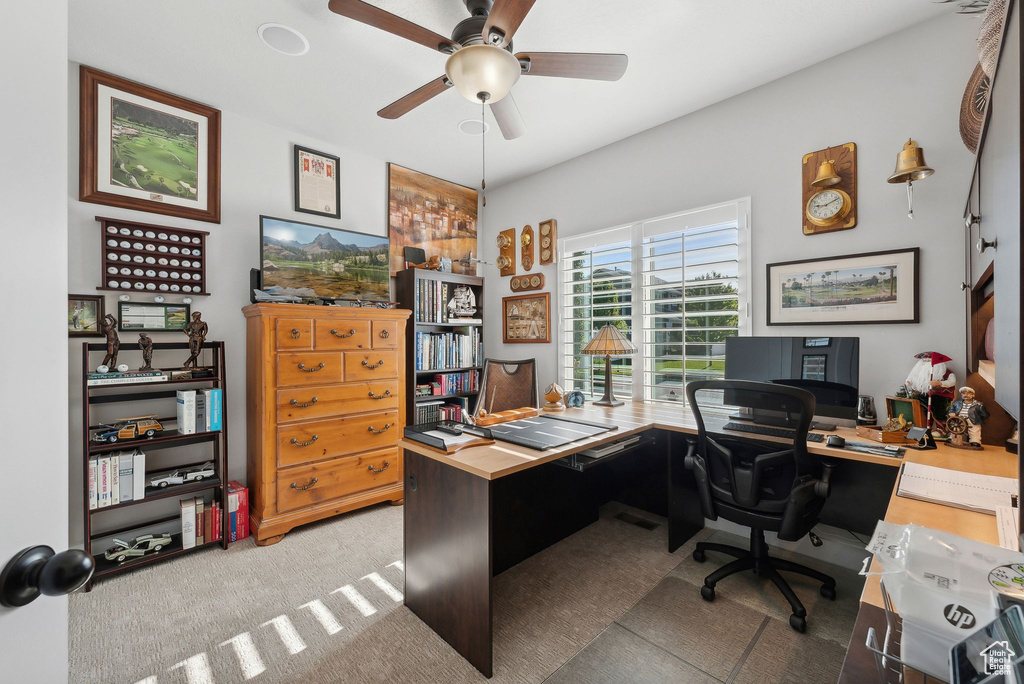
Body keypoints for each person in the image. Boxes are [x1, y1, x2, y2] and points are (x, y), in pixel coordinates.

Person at [905, 351, 956, 434]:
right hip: (924, 394)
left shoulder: (945, 372)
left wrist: (940, 383)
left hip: (940, 396)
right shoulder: (918, 371)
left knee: (939, 411)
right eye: (924, 361)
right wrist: (908, 382)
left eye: (928, 361)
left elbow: (952, 381)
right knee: (922, 411)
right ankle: (923, 428)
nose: (926, 363)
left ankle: (941, 429)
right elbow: (911, 378)